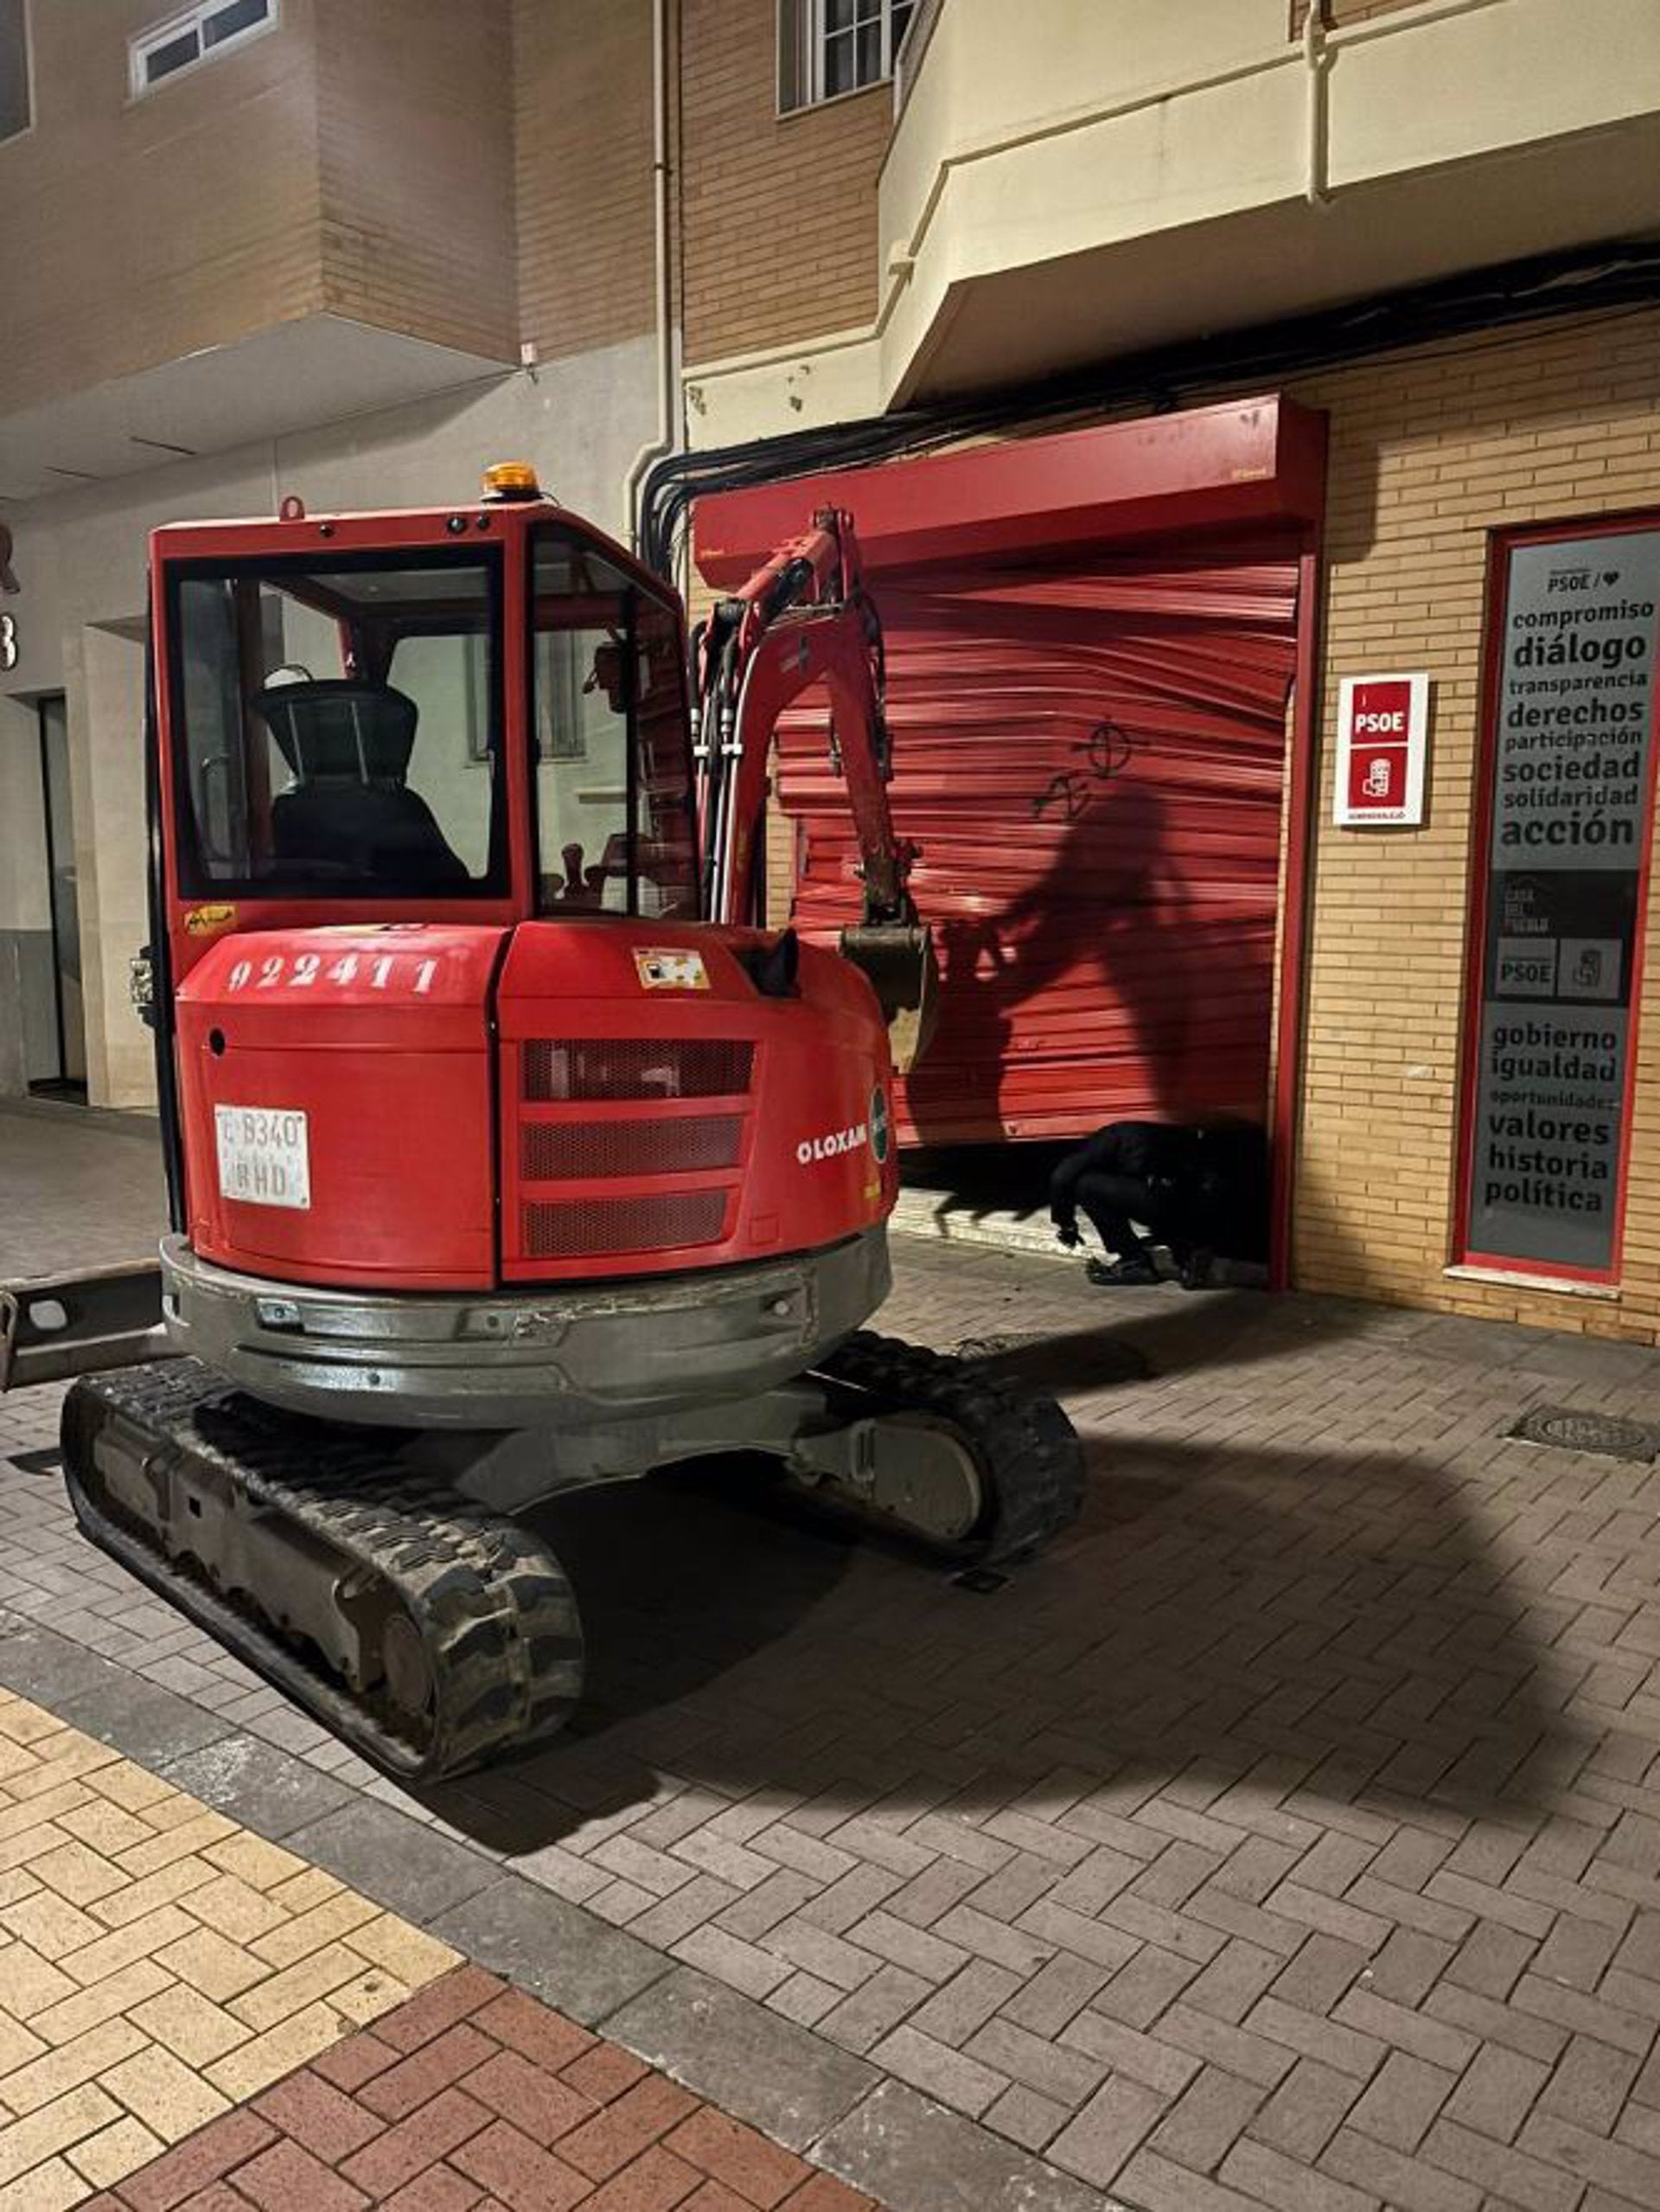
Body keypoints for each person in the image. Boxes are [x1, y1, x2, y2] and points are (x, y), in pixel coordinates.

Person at [1050, 1119, 1268, 1288]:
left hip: (1173, 1201)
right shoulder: (1166, 1126)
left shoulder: (1110, 1137)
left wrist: (1066, 1224)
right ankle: (1188, 1256)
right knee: (1164, 1193)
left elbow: (1061, 1176)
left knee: (1086, 1186)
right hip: (1202, 1200)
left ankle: (1134, 1261)